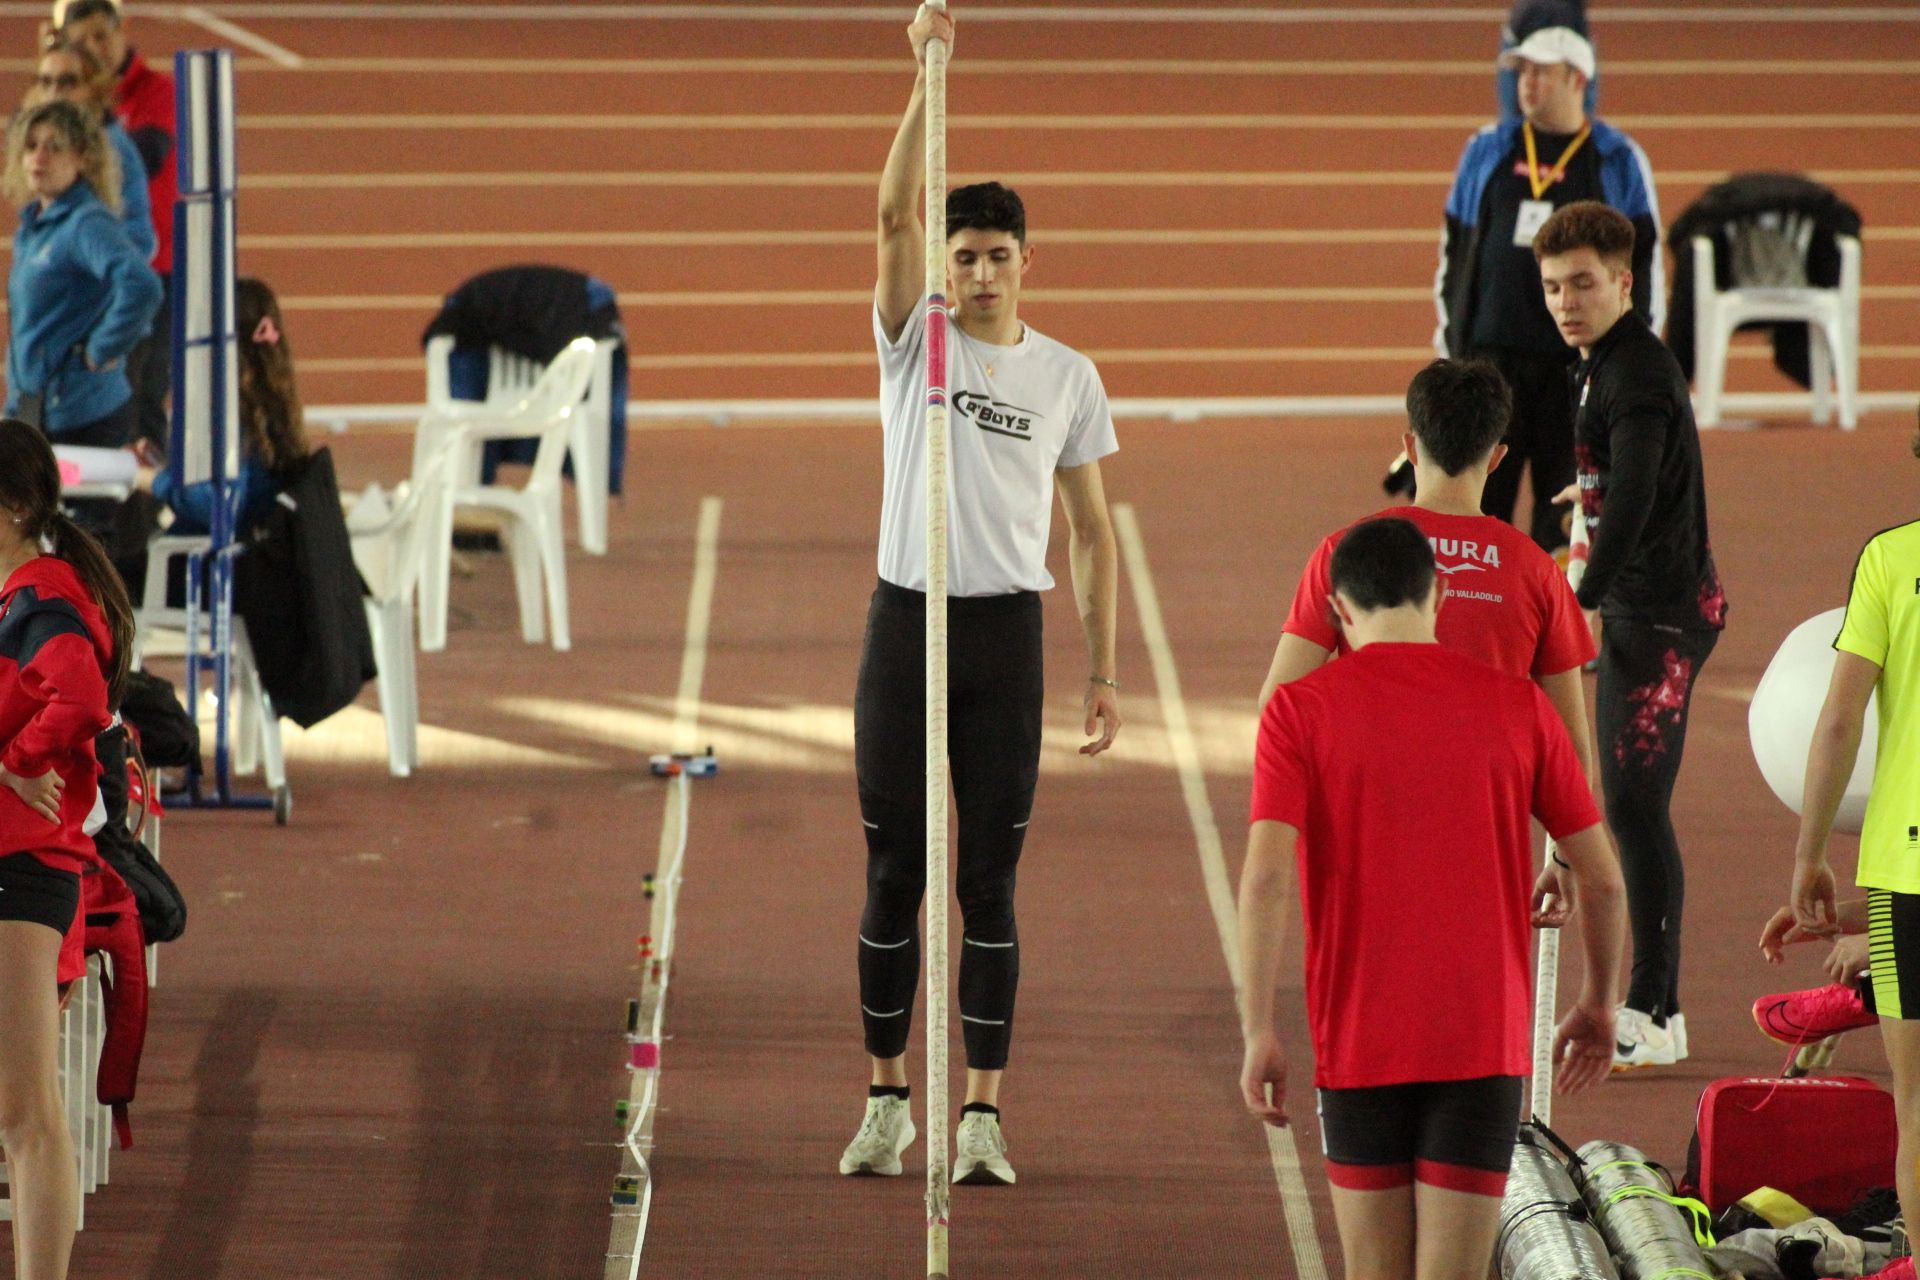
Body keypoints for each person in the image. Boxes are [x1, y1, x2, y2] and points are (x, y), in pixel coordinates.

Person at [839, 4, 1122, 1189]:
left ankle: (984, 1117)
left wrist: (1104, 667)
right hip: (907, 623)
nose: (982, 271)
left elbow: (1095, 533)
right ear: (945, 266)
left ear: (1026, 261)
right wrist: (923, 77)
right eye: (965, 256)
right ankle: (888, 1098)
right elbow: (894, 208)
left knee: (988, 882)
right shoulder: (917, 345)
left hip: (1005, 634)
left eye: (1000, 255)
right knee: (894, 871)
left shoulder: (1066, 376)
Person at [1238, 517, 1624, 1280]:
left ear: (1339, 611)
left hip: (1360, 1039)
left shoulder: (1297, 712)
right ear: (1440, 595)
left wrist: (1258, 1029)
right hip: (1481, 1041)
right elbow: (1603, 878)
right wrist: (1600, 1002)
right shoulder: (1518, 706)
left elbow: (1266, 877)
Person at [1534, 200, 1726, 1070]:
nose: (1566, 301)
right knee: (1627, 804)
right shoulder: (1599, 362)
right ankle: (1654, 1001)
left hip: (1662, 614)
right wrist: (1590, 500)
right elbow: (1622, 482)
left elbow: (1642, 488)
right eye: (1551, 287)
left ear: (1624, 281)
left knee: (1636, 810)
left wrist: (1585, 594)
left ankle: (1655, 1008)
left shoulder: (1636, 375)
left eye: (1582, 283)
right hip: (1644, 605)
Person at [1259, 358, 1596, 788]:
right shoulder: (1537, 570)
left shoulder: (1344, 551)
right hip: (1484, 814)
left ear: (1411, 447)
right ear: (1496, 458)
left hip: (1370, 801)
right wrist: (1566, 853)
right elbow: (1569, 745)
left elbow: (1279, 700)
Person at [1767, 433, 1920, 1279]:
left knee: (1918, 1105)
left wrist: (1810, 856)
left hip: (1909, 871)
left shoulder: (1892, 560)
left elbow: (1837, 719)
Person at [1434, 24, 1661, 554]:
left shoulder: (1617, 158)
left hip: (1574, 372)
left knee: (1564, 520)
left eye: (1541, 72)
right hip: (1492, 370)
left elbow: (1645, 264)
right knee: (1474, 515)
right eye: (1521, 73)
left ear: (1578, 78)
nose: (1527, 84)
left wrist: (1632, 360)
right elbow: (1454, 250)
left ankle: (1551, 628)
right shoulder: (1487, 149)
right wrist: (1452, 354)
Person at [0, 416, 137, 1280]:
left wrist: (15, 767)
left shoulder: (40, 598)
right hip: (20, 863)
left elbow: (81, 698)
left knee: (24, 1112)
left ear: (12, 505)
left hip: (19, 871)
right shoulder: (20, 593)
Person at [3, 99, 161, 457]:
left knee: (73, 515)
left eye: (54, 147)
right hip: (35, 410)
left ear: (83, 158)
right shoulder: (33, 225)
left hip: (80, 417)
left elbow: (142, 284)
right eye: (31, 146)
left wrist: (102, 348)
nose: (39, 156)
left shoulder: (85, 223)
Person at [58, 0, 173, 451]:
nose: (93, 49)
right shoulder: (72, 107)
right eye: (80, 42)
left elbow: (148, 155)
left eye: (100, 37)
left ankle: (139, 515)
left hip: (155, 267)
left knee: (141, 401)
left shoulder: (152, 90)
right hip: (89, 279)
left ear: (121, 30)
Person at [135, 277, 310, 535]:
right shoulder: (270, 402)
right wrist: (163, 468)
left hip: (214, 556)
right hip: (238, 542)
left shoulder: (233, 417)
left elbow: (216, 507)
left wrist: (149, 479)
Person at [22, 29, 152, 264]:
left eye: (68, 82)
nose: (53, 93)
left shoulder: (112, 150)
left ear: (95, 88)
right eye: (46, 82)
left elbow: (140, 241)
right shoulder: (51, 141)